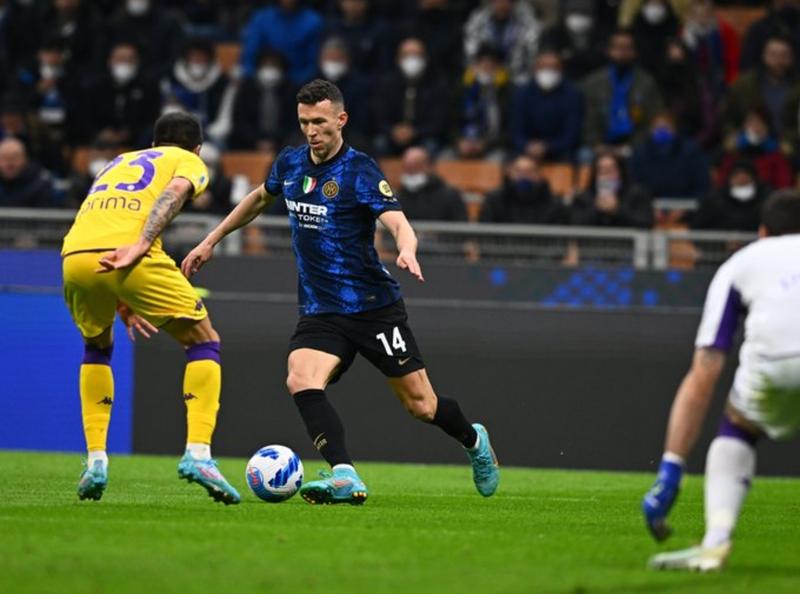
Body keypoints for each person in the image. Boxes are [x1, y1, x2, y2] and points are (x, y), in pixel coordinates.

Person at [182, 79, 499, 505]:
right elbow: (258, 199)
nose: (311, 131)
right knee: (300, 378)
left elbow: (398, 222)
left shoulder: (359, 170)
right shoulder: (290, 163)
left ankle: (474, 440)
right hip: (321, 311)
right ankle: (344, 475)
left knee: (422, 406)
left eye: (319, 122)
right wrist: (210, 241)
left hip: (373, 308)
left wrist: (407, 250)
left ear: (341, 119)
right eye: (304, 122)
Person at [60, 112, 240, 504]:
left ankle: (95, 461)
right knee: (203, 341)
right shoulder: (188, 160)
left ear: (154, 143)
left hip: (74, 255)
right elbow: (174, 192)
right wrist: (141, 245)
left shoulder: (118, 162)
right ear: (197, 149)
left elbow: (104, 219)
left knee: (97, 347)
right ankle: (199, 454)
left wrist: (122, 299)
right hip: (131, 252)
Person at [642, 189, 800, 571]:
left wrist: (671, 468)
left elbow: (705, 371)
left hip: (776, 364)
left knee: (739, 425)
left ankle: (715, 543)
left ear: (762, 232)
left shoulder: (742, 263)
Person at [581, 29, 662, 160]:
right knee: (584, 156)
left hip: (635, 144)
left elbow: (654, 120)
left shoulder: (646, 82)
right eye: (618, 48)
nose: (622, 53)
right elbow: (587, 120)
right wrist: (597, 145)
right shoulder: (593, 82)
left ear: (635, 52)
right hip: (600, 143)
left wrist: (631, 147)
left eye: (627, 48)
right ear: (608, 51)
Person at [511, 49, 584, 162]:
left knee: (581, 156)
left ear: (561, 70)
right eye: (543, 67)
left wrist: (548, 147)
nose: (548, 71)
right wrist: (527, 145)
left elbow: (572, 133)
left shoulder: (573, 95)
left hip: (561, 150)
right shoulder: (522, 94)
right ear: (535, 69)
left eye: (553, 67)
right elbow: (516, 130)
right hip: (527, 149)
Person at [629, 111, 711, 201]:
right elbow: (636, 186)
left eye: (666, 127)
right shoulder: (640, 153)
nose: (662, 132)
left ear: (674, 129)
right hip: (650, 206)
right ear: (650, 130)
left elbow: (702, 186)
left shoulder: (691, 152)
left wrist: (686, 205)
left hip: (688, 205)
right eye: (657, 128)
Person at [570, 151, 654, 228]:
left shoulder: (637, 194)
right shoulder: (583, 197)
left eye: (610, 170)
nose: (605, 175)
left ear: (621, 172)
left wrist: (617, 210)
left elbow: (646, 223)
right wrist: (596, 208)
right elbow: (573, 226)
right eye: (601, 170)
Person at [479, 154, 569, 224]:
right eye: (518, 171)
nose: (523, 176)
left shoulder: (554, 204)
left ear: (539, 175)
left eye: (529, 171)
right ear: (510, 174)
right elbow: (485, 233)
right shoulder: (494, 200)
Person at [692, 160, 770, 231]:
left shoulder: (766, 200)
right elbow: (698, 226)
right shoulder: (714, 200)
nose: (741, 180)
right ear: (730, 178)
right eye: (737, 176)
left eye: (745, 178)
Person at [397, 146, 468, 222]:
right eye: (407, 168)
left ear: (429, 166)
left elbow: (461, 225)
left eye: (416, 167)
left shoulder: (449, 196)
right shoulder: (399, 198)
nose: (411, 172)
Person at [0, 137, 56, 208]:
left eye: (15, 157)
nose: (10, 163)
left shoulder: (41, 186)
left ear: (25, 159)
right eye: (4, 158)